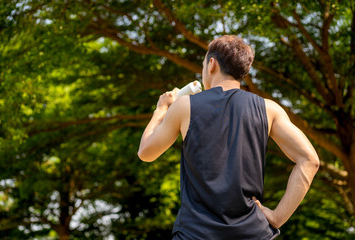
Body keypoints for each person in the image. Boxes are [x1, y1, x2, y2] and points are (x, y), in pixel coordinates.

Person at [137, 35, 320, 240]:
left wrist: (161, 109)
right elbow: (310, 160)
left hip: (195, 234)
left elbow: (146, 153)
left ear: (212, 64)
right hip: (253, 234)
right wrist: (277, 217)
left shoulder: (185, 106)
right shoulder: (269, 109)